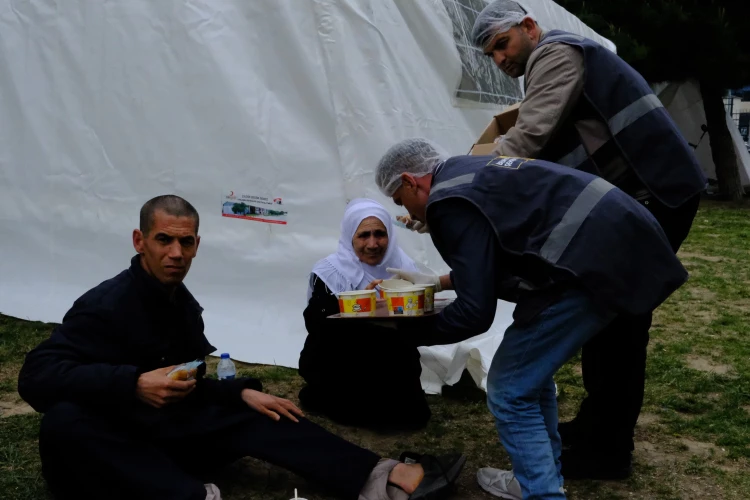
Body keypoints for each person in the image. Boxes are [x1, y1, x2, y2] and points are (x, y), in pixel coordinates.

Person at [17, 194, 465, 500]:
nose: (176, 253)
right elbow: (35, 376)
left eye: (185, 242)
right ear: (140, 241)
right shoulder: (106, 303)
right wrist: (132, 383)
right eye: (164, 240)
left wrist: (237, 393)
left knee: (260, 409)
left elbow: (185, 381)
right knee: (65, 422)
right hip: (114, 438)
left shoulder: (181, 304)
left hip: (161, 431)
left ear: (197, 245)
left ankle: (382, 477)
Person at [469, 0, 707, 480]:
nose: (500, 59)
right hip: (646, 197)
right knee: (605, 318)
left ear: (529, 26)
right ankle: (598, 427)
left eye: (502, 44)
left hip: (656, 194)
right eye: (491, 54)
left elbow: (527, 139)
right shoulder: (557, 60)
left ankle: (609, 451)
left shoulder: (556, 55)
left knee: (620, 323)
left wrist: (466, 180)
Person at [375, 139, 688, 500]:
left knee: (509, 388)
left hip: (589, 266)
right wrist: (439, 282)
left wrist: (405, 333)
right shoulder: (467, 172)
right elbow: (499, 252)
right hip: (617, 245)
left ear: (410, 181)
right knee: (530, 377)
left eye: (400, 200)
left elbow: (475, 313)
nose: (409, 213)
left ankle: (542, 492)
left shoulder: (447, 202)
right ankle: (538, 477)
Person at [299, 198, 431, 431]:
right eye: (363, 235)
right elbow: (316, 325)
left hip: (391, 359)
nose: (372, 244)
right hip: (343, 359)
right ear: (350, 236)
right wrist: (358, 306)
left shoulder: (404, 267)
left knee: (413, 416)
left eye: (380, 234)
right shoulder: (330, 272)